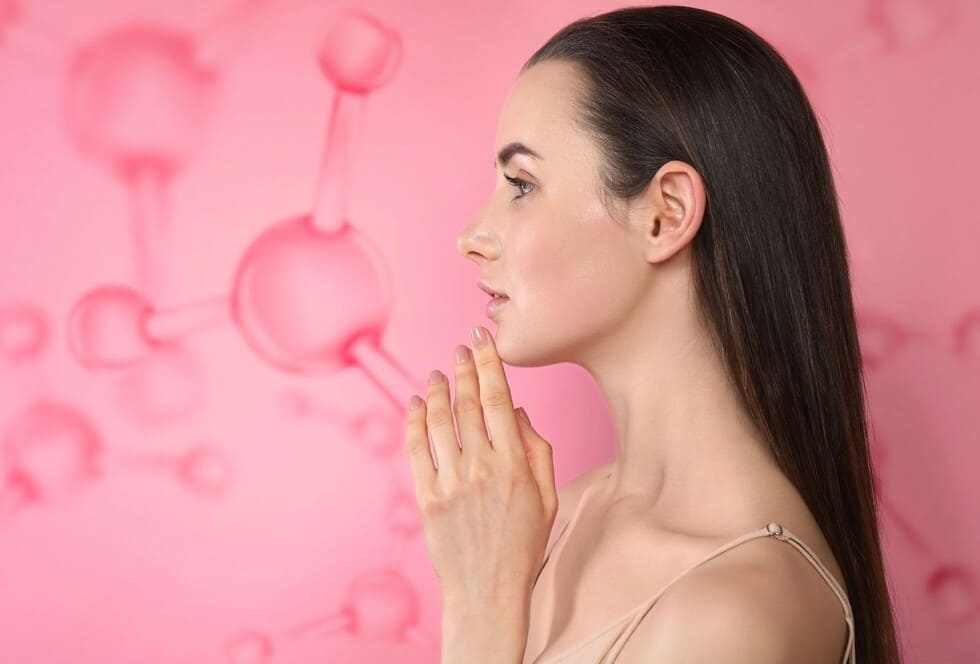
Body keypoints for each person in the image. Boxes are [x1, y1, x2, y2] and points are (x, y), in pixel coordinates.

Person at [453, 5, 902, 663]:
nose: (471, 238)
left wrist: (477, 615)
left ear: (666, 214)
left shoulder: (731, 617)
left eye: (522, 184)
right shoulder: (558, 517)